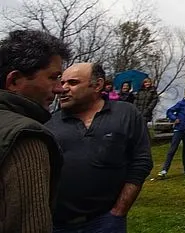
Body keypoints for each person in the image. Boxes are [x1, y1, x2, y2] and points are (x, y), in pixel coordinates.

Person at [47, 61, 153, 233]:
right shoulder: (49, 123)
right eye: (62, 83)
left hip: (105, 222)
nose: (62, 88)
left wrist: (119, 211)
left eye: (72, 83)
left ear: (97, 85)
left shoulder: (126, 114)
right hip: (57, 225)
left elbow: (141, 161)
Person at [0, 29, 70, 233]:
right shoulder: (25, 136)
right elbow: (31, 226)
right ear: (14, 81)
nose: (60, 88)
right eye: (53, 77)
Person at [158, 85, 185, 177]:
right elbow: (169, 111)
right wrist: (174, 118)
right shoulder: (181, 103)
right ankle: (164, 170)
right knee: (172, 149)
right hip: (179, 129)